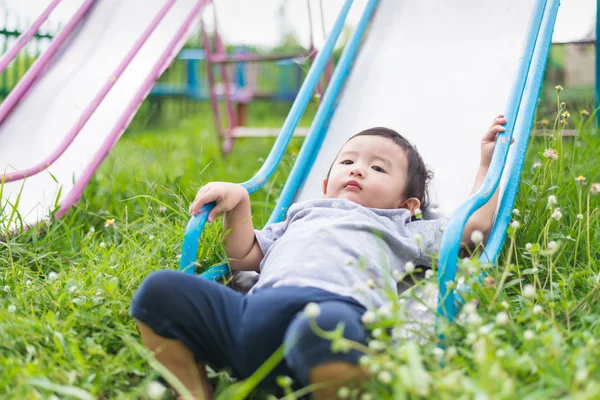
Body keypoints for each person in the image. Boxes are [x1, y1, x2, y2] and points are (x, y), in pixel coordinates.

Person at [130, 115, 508, 399]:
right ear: (326, 186)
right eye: (348, 162)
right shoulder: (303, 214)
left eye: (378, 168)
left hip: (332, 316)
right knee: (159, 291)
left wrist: (486, 165)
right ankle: (196, 393)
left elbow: (472, 227)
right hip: (252, 318)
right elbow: (245, 258)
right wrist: (239, 203)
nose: (358, 168)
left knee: (325, 328)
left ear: (406, 206)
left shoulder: (402, 229)